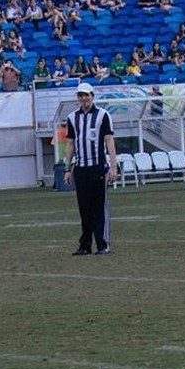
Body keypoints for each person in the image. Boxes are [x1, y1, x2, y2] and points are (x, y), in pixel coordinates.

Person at [63, 82, 118, 255]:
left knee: (99, 207)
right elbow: (71, 143)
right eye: (80, 95)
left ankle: (103, 243)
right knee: (84, 208)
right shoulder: (72, 118)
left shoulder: (103, 115)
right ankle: (85, 244)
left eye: (86, 95)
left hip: (98, 167)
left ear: (92, 96)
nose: (84, 98)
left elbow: (109, 140)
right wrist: (67, 168)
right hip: (81, 168)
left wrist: (113, 166)